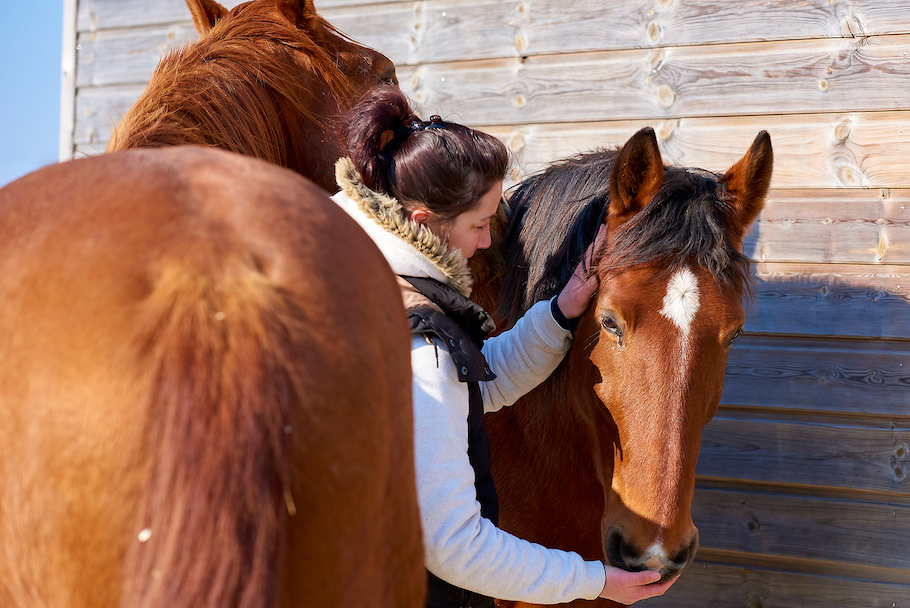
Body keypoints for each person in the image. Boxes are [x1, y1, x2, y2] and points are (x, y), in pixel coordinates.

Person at [331, 86, 676, 608]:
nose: (487, 242)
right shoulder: (422, 340)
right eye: (477, 224)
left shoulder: (358, 278)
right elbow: (456, 548)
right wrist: (595, 582)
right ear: (423, 222)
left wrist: (561, 311)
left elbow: (469, 388)